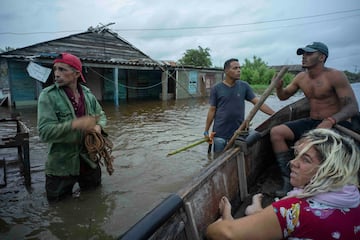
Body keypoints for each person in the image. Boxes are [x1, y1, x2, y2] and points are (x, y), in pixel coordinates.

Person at [206, 128, 360, 239]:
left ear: (330, 170)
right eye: (296, 155)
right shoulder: (353, 195)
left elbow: (224, 234)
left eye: (305, 160)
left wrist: (217, 225)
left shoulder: (295, 210)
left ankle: (238, 214)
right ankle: (256, 210)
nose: (292, 162)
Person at [270, 42, 359, 197]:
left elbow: (352, 108)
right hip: (312, 122)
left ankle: (325, 182)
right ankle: (288, 179)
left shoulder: (335, 76)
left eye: (309, 54)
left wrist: (331, 120)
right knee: (276, 132)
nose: (304, 57)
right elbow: (283, 96)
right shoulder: (301, 77)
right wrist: (278, 87)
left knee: (315, 148)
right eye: (303, 54)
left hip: (336, 124)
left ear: (322, 57)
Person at [37, 52, 107, 202]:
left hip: (89, 160)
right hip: (61, 166)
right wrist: (75, 124)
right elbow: (44, 132)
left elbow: (100, 114)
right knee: (58, 208)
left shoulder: (88, 95)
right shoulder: (48, 96)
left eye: (62, 70)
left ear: (76, 73)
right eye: (55, 69)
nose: (56, 74)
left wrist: (98, 128)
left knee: (95, 200)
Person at [204, 58, 274, 153]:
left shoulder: (244, 86)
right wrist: (206, 131)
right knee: (218, 160)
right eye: (235, 68)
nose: (239, 70)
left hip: (238, 133)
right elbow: (212, 110)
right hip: (220, 134)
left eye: (239, 68)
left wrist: (274, 114)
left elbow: (258, 103)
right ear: (226, 71)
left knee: (236, 156)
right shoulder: (216, 88)